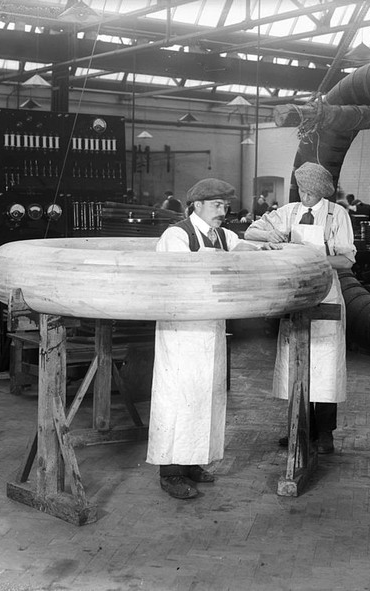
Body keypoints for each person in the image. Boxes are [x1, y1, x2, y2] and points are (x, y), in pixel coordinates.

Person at [148, 178, 267, 500]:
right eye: (216, 205)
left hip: (210, 327)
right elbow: (177, 277)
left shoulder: (220, 235)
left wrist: (263, 248)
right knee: (179, 396)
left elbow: (242, 245)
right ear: (196, 205)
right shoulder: (177, 235)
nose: (223, 211)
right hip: (182, 329)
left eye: (225, 206)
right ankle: (170, 472)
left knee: (206, 396)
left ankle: (193, 461)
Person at [244, 162, 356, 455]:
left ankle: (325, 432)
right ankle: (299, 426)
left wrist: (310, 256)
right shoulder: (289, 212)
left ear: (321, 194)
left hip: (326, 292)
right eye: (301, 191)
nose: (304, 197)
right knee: (297, 360)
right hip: (297, 292)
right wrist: (271, 237)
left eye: (310, 194)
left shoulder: (337, 215)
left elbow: (346, 261)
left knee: (326, 366)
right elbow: (251, 232)